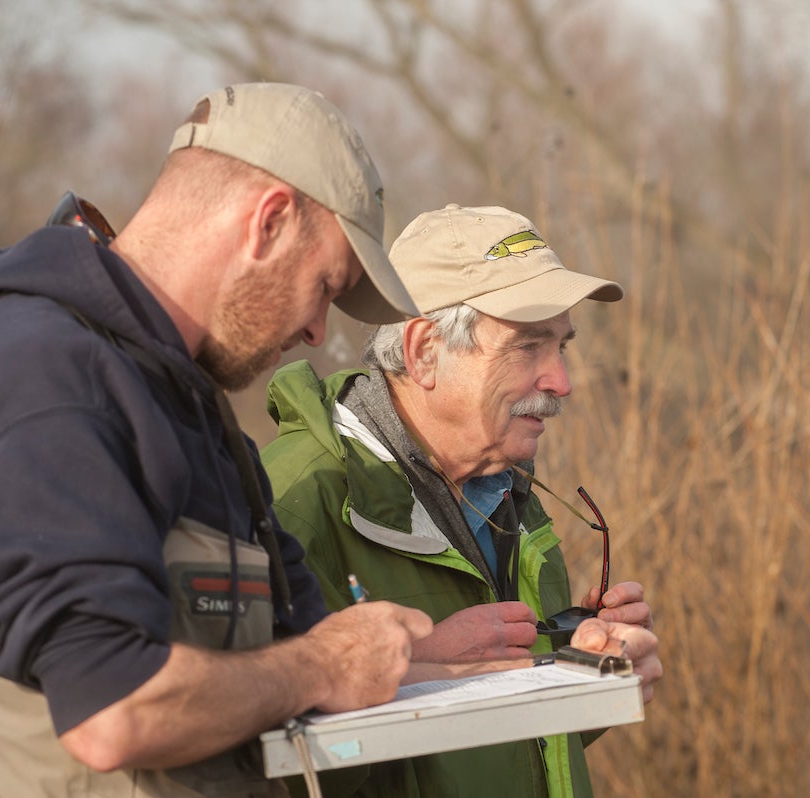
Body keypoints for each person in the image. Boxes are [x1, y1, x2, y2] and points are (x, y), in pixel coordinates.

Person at [0, 82, 436, 797]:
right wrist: (323, 667)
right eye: (325, 285)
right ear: (269, 222)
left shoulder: (197, 414)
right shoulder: (35, 377)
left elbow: (296, 652)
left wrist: (474, 654)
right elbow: (112, 712)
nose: (318, 333)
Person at [262, 203, 663, 797]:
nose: (561, 381)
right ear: (425, 351)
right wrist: (407, 666)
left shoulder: (512, 494)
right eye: (528, 347)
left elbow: (514, 745)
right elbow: (249, 760)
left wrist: (587, 674)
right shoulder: (293, 501)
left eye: (562, 347)